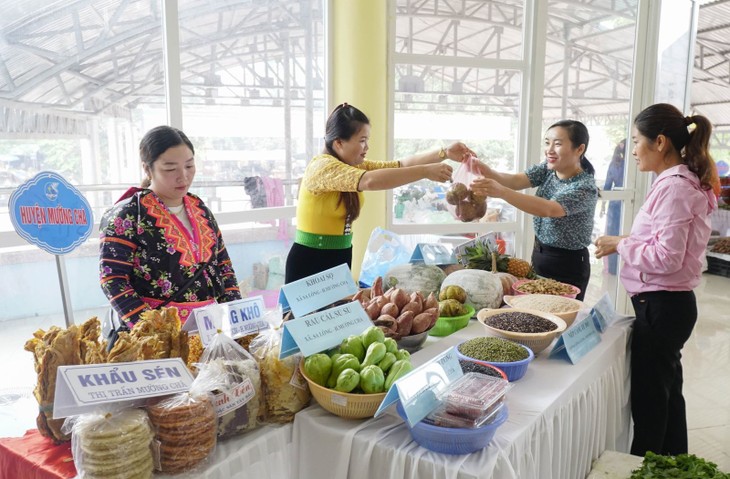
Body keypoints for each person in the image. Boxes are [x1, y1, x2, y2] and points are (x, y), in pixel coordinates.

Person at [594, 103, 718, 456]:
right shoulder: (677, 183)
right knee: (666, 396)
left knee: (650, 405)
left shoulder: (675, 188)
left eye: (636, 141)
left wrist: (621, 243)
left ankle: (645, 467)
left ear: (659, 142)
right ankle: (673, 463)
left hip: (663, 308)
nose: (632, 151)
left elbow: (666, 257)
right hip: (666, 305)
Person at [285, 103, 474, 284]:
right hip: (309, 261)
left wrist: (444, 153)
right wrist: (425, 171)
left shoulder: (351, 165)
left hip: (339, 257)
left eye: (367, 140)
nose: (366, 147)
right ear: (339, 143)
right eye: (362, 141)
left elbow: (400, 165)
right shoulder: (322, 167)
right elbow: (370, 180)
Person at [100, 126, 242, 328]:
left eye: (189, 166)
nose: (183, 176)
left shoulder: (200, 209)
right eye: (170, 169)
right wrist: (153, 330)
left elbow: (224, 267)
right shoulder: (127, 215)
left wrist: (236, 319)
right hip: (156, 334)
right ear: (147, 169)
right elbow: (113, 279)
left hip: (211, 329)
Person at [469, 120, 598, 301]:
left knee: (560, 320)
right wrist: (487, 171)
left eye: (558, 143)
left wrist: (500, 191)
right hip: (540, 254)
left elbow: (549, 209)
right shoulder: (547, 168)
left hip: (568, 263)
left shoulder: (584, 187)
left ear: (579, 149)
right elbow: (515, 181)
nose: (550, 149)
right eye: (547, 142)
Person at [601, 139, 626, 275]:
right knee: (623, 235)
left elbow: (607, 185)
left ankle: (612, 269)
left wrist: (603, 204)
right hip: (624, 204)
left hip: (614, 202)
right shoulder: (630, 167)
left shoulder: (614, 164)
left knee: (612, 234)